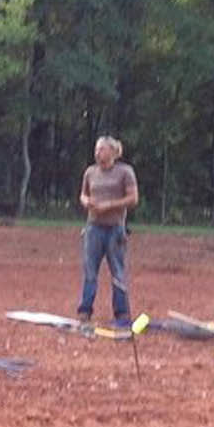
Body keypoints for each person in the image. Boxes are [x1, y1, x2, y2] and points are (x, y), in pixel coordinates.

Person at [77, 135, 138, 326]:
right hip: (93, 227)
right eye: (96, 149)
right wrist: (86, 202)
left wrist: (110, 205)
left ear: (112, 152)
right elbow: (83, 194)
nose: (97, 153)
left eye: (101, 149)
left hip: (115, 228)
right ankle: (85, 310)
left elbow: (133, 198)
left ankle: (121, 313)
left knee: (117, 271)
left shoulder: (125, 172)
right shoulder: (90, 172)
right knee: (90, 270)